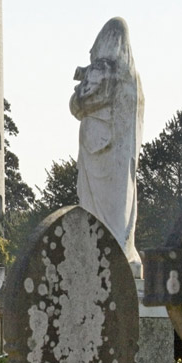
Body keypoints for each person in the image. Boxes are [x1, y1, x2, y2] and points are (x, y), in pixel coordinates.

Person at [70, 17, 145, 269]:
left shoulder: (105, 69)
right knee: (121, 206)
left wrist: (83, 78)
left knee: (97, 211)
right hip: (123, 157)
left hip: (100, 152)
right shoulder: (132, 78)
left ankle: (103, 255)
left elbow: (78, 102)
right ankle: (123, 251)